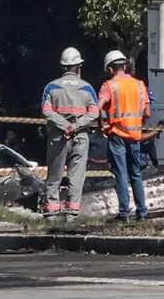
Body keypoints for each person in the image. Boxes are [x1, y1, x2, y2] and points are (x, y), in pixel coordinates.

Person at [40, 47, 99, 218]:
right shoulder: (87, 88)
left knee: (54, 176)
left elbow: (46, 111)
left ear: (63, 66)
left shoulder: (51, 87)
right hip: (80, 137)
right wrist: (76, 126)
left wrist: (64, 125)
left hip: (58, 136)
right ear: (79, 66)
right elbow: (94, 113)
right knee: (76, 177)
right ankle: (71, 214)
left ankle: (51, 213)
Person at [98, 50, 151, 223]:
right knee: (136, 173)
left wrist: (102, 122)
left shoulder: (109, 86)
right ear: (125, 66)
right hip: (135, 135)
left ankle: (124, 214)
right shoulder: (139, 85)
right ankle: (142, 212)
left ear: (110, 69)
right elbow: (147, 112)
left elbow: (99, 106)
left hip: (117, 135)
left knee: (121, 173)